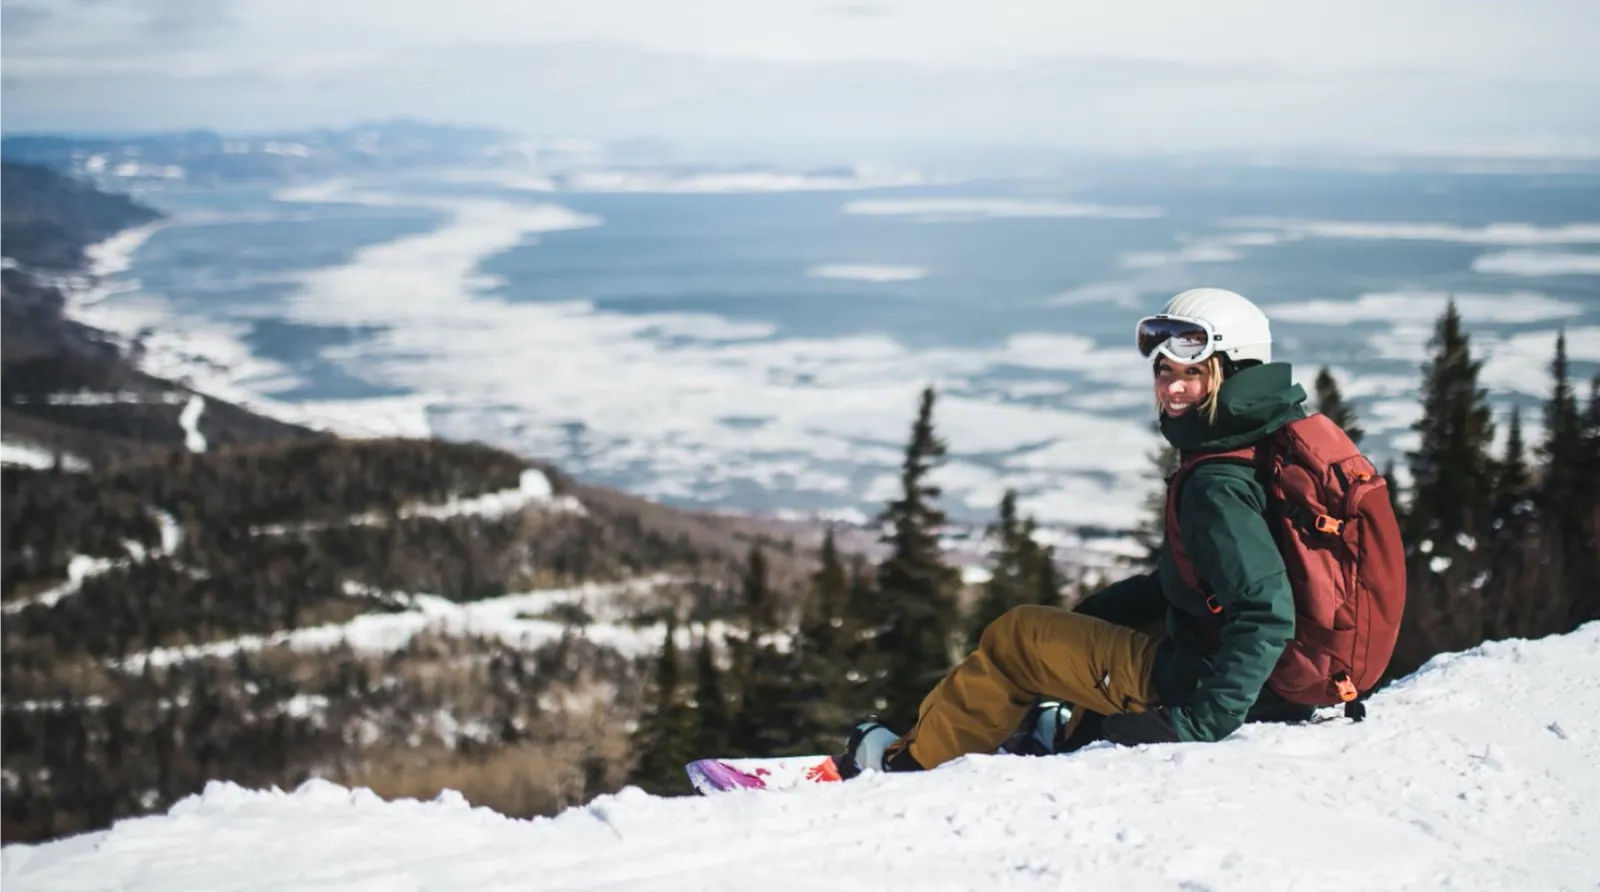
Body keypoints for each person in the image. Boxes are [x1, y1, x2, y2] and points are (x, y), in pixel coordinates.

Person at [842, 287, 1314, 775]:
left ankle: (909, 765)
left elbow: (1264, 610)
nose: (1171, 388)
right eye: (1164, 371)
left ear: (1234, 371)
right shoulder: (1279, 437)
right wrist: (1105, 610)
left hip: (1226, 689)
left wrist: (1199, 722)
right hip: (1286, 676)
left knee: (1017, 637)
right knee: (1104, 625)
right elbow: (1223, 576)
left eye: (1194, 372)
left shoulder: (1217, 482)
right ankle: (1069, 733)